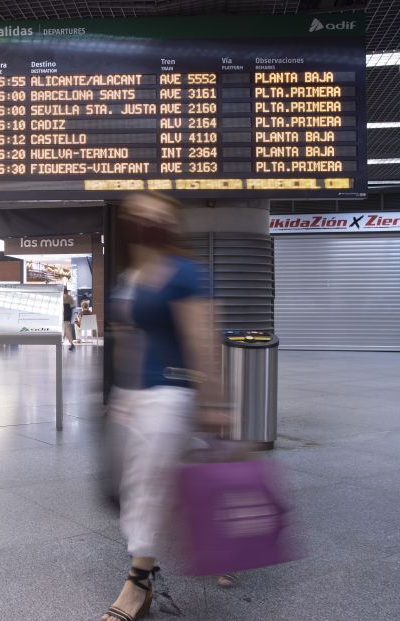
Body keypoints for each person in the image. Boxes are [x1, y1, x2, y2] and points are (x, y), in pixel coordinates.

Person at [102, 192, 229, 621]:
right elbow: (128, 341)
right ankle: (215, 547)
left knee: (146, 488)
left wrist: (213, 403)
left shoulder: (185, 274)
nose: (146, 217)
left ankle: (137, 584)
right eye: (139, 211)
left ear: (170, 222)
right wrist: (120, 398)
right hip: (135, 398)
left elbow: (203, 342)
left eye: (156, 211)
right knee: (148, 486)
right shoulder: (130, 277)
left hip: (171, 392)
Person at [62, 286, 77, 351]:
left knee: (66, 327)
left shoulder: (62, 296)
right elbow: (74, 305)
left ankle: (71, 343)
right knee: (66, 327)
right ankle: (65, 340)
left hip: (64, 311)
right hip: (68, 311)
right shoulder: (69, 296)